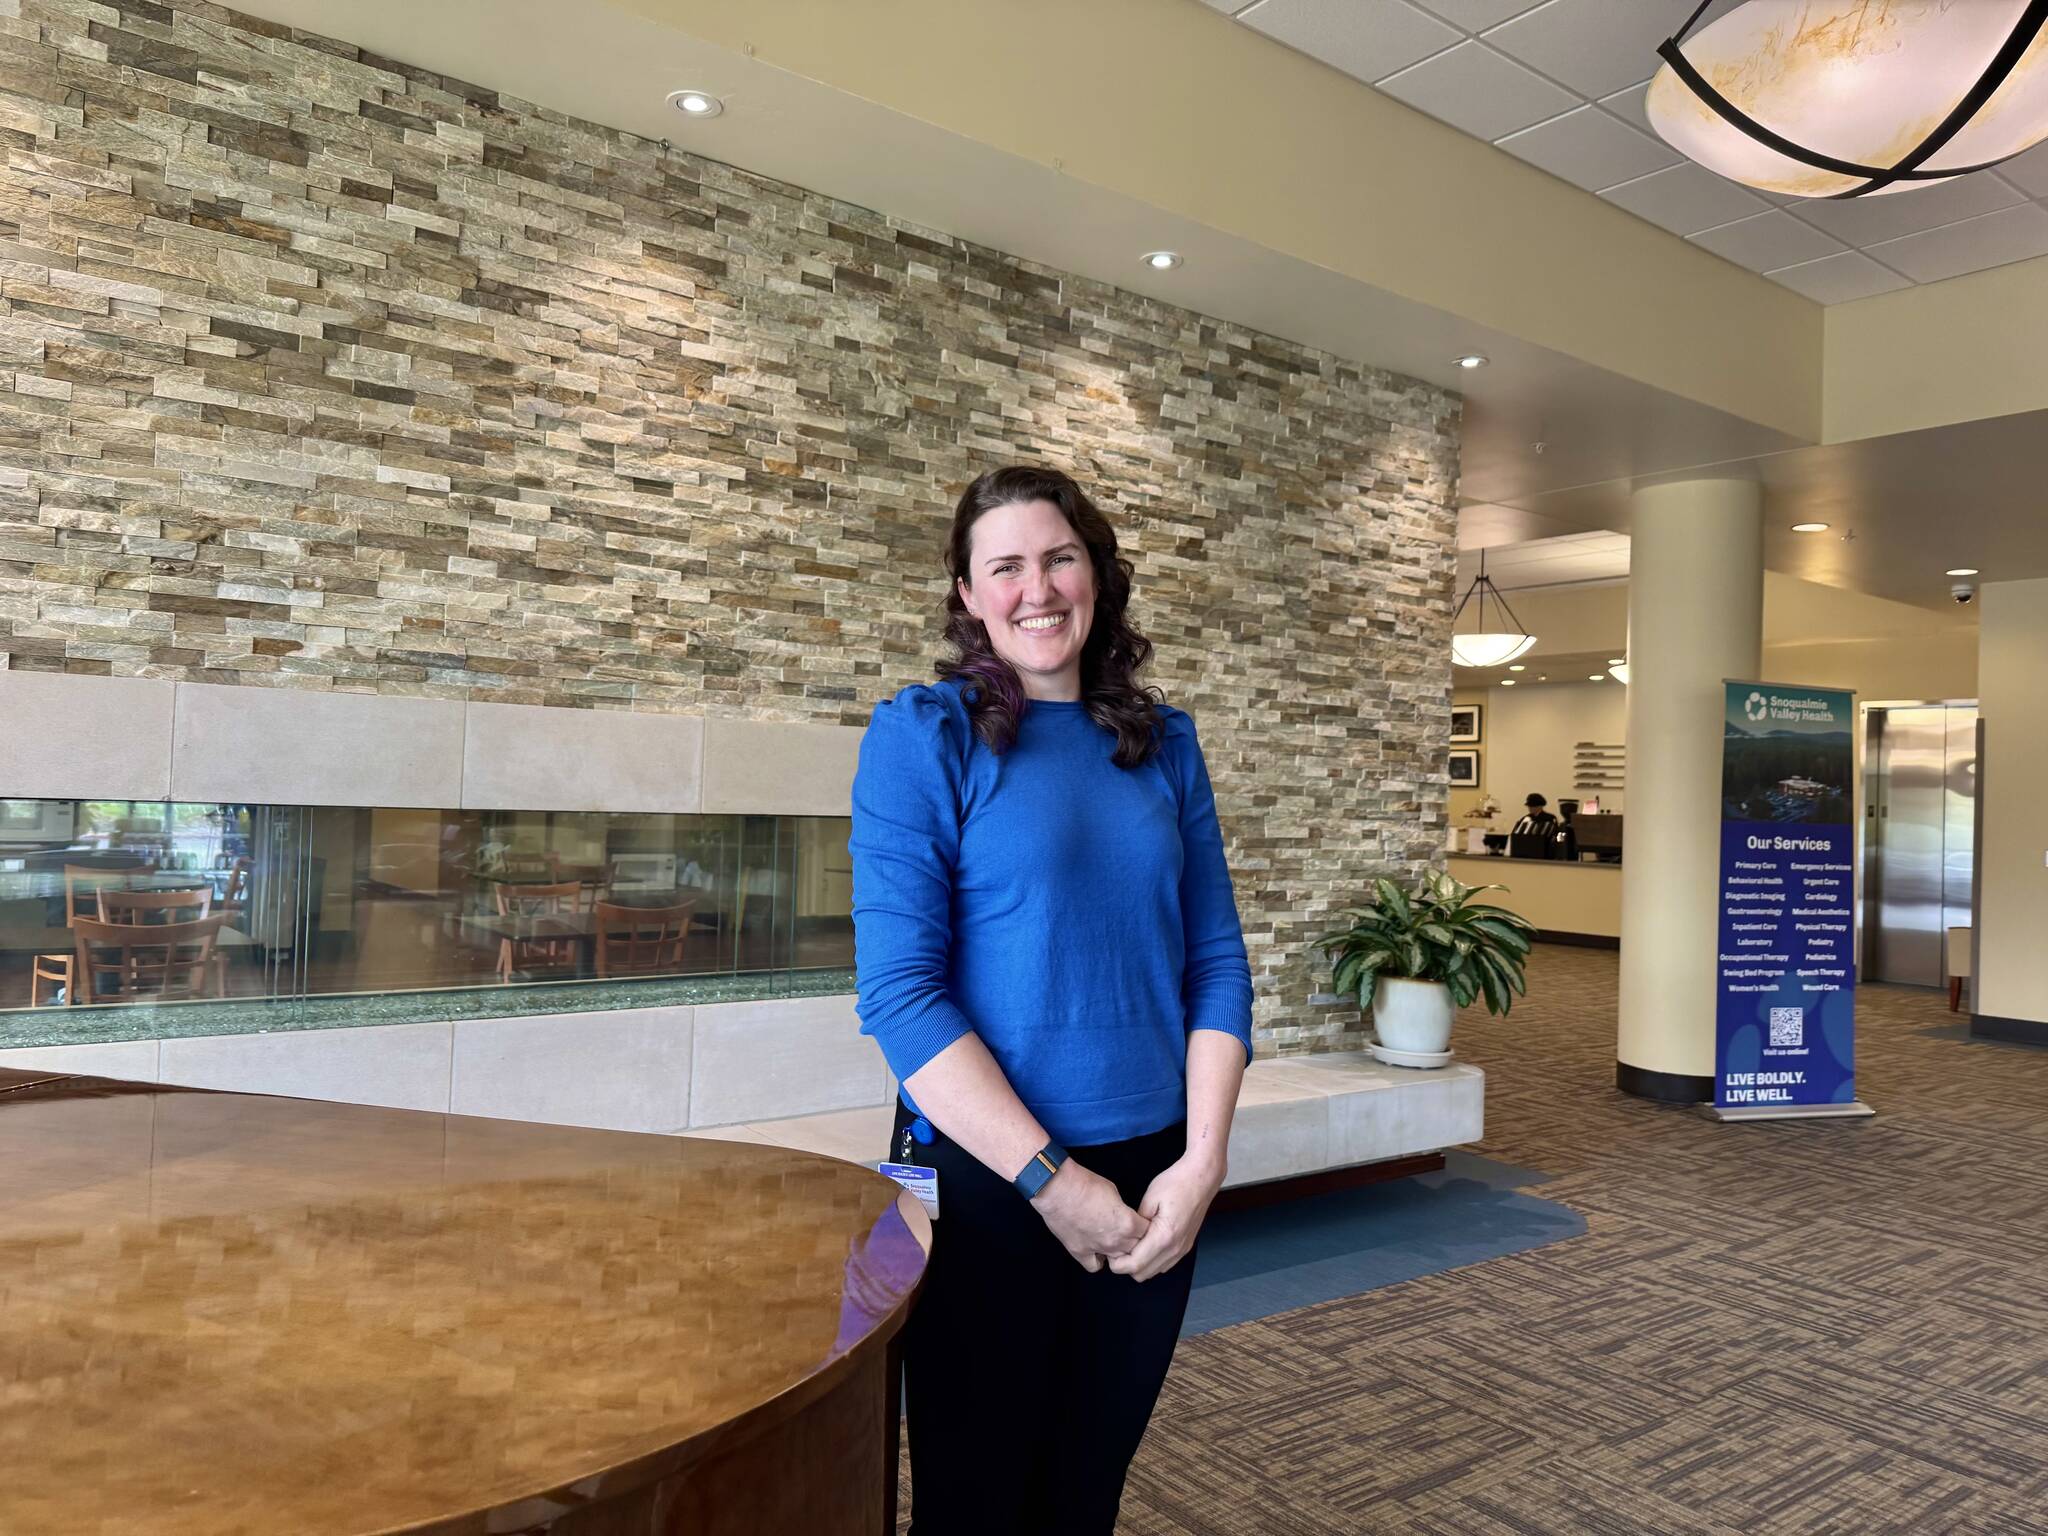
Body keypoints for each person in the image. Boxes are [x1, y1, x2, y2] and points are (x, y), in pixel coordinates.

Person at [850, 464, 1253, 1535]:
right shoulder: (920, 735)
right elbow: (899, 995)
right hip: (968, 1169)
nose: (1038, 588)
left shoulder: (1165, 744)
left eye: (1059, 557)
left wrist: (1204, 1160)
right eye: (1006, 567)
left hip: (1151, 1169)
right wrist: (1047, 1178)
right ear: (970, 595)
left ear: (1097, 576)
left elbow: (1214, 962)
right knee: (968, 1495)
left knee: (1085, 1487)